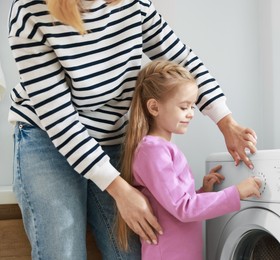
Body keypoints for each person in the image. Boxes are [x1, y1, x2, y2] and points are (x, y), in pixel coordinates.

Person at [8, 0, 258, 259]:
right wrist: (119, 190)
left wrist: (225, 121)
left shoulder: (133, 4)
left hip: (111, 134)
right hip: (49, 135)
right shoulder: (30, 11)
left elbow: (182, 60)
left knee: (128, 252)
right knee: (63, 253)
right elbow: (58, 117)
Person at [118, 60, 261, 259]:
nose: (191, 114)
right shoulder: (152, 151)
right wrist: (237, 193)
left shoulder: (161, 148)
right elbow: (184, 208)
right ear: (154, 107)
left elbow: (172, 206)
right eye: (184, 107)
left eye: (193, 107)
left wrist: (202, 192)